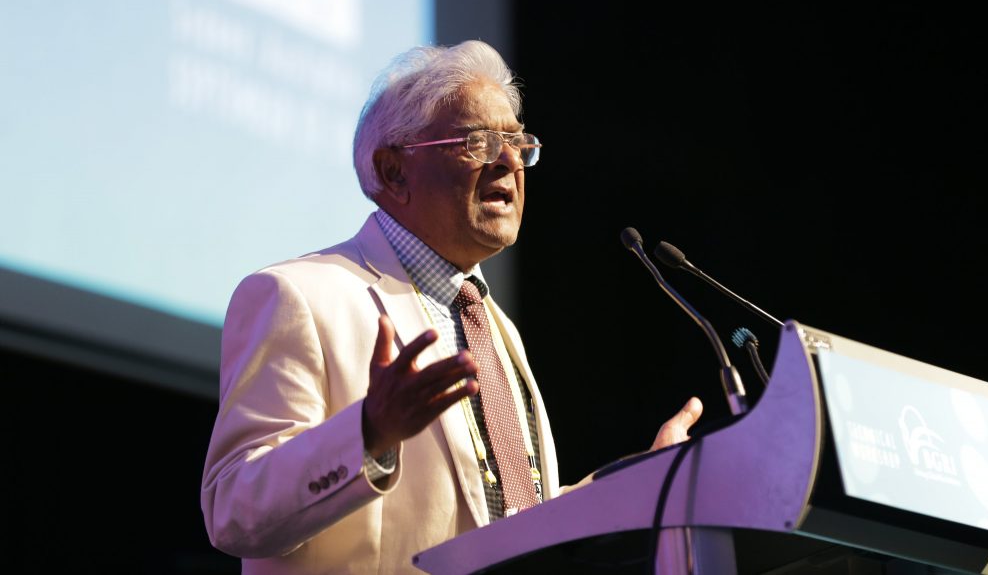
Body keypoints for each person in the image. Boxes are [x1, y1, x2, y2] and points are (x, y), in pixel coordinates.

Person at [200, 40, 703, 574]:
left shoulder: (494, 325)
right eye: (478, 142)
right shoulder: (298, 296)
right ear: (394, 171)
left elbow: (515, 524)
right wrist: (369, 433)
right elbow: (233, 510)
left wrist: (637, 487)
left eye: (516, 142)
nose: (510, 161)